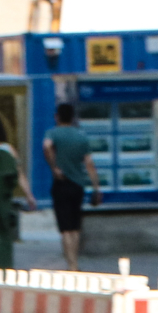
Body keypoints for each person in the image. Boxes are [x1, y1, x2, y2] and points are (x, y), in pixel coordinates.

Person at [42, 108, 101, 270]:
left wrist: (54, 167)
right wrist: (96, 186)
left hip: (61, 184)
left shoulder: (52, 133)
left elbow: (46, 146)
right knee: (75, 227)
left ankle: (71, 264)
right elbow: (89, 163)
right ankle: (75, 263)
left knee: (65, 229)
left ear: (57, 117)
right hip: (78, 185)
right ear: (73, 118)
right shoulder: (81, 136)